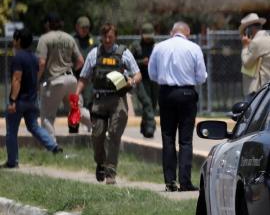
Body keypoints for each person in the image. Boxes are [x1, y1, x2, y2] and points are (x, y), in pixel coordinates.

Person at [75, 23, 141, 184]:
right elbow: (84, 77)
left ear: (115, 36)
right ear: (101, 37)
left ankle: (111, 173)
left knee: (114, 135)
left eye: (110, 36)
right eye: (105, 36)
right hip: (99, 100)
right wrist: (76, 94)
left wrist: (131, 81)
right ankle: (100, 163)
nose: (107, 39)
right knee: (97, 135)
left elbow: (137, 74)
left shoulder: (123, 53)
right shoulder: (94, 54)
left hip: (117, 100)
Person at [148, 21, 208, 192]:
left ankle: (170, 182)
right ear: (187, 33)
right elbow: (201, 77)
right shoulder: (194, 48)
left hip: (166, 94)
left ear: (171, 32)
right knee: (185, 140)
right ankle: (185, 181)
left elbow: (152, 74)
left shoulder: (159, 47)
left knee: (167, 138)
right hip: (187, 94)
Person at [5, 28, 62, 168]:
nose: (13, 41)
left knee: (11, 131)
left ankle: (13, 162)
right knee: (34, 127)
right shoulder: (34, 58)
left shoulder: (18, 58)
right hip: (32, 100)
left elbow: (17, 79)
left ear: (18, 40)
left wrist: (12, 100)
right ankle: (53, 146)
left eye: (14, 38)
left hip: (19, 101)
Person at [37, 12, 90, 135]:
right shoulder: (69, 38)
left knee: (47, 117)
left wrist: (36, 80)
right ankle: (96, 125)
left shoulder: (45, 39)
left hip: (54, 80)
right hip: (71, 79)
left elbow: (41, 63)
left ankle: (51, 146)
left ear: (47, 24)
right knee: (77, 110)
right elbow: (81, 61)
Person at [239, 12, 270, 94]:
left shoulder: (255, 42)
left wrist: (245, 47)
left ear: (249, 29)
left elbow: (246, 63)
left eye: (245, 30)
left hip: (258, 90)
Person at [130, 21, 159, 138]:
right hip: (140, 79)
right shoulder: (136, 46)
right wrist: (142, 62)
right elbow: (129, 62)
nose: (147, 40)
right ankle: (151, 127)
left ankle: (144, 127)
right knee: (147, 103)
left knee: (152, 104)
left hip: (154, 80)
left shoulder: (157, 46)